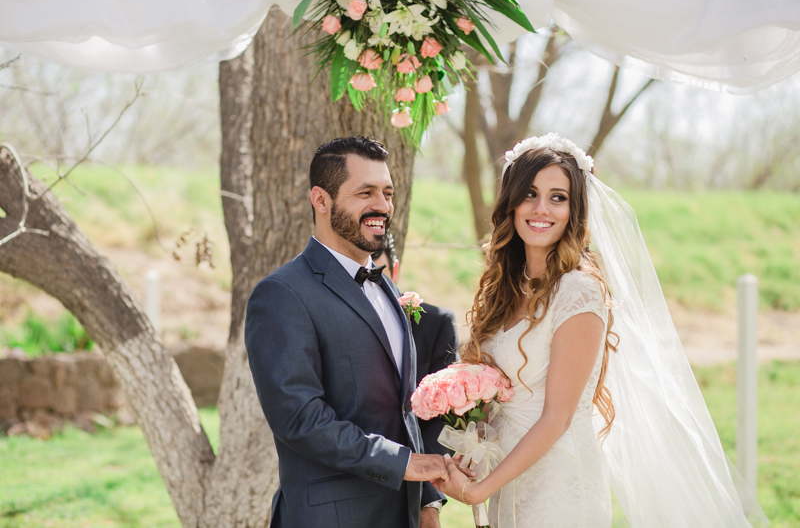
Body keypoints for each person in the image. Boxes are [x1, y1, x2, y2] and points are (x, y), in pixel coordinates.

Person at [432, 134, 767, 527]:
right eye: (530, 194)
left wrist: (479, 490)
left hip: (559, 484)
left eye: (558, 197)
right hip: (509, 477)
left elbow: (557, 418)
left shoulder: (579, 292)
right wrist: (472, 445)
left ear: (575, 210)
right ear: (511, 202)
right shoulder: (505, 289)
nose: (542, 209)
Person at [245, 135, 447, 528]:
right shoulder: (281, 294)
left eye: (387, 193)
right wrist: (404, 464)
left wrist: (426, 501)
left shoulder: (386, 287)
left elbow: (402, 407)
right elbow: (301, 419)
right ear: (321, 200)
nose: (382, 206)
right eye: (365, 192)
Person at [372, 234, 458, 455]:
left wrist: (417, 467)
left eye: (376, 274)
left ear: (395, 270)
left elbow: (449, 412)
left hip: (418, 469)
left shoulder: (436, 324)